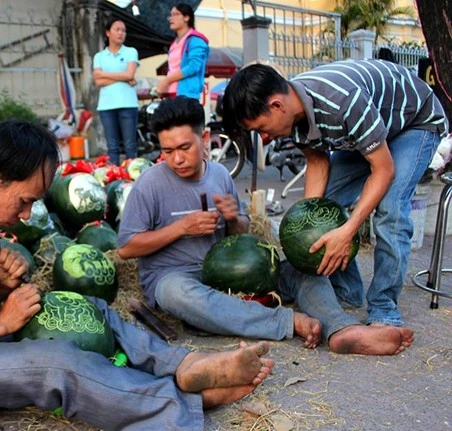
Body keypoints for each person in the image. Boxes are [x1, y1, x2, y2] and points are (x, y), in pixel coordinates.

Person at [0, 119, 275, 429]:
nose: (25, 216)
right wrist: (2, 323)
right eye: (23, 201)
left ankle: (183, 365)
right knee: (53, 363)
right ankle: (179, 404)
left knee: (85, 307)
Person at [117, 96, 414, 355]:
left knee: (303, 268)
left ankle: (341, 330)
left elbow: (240, 233)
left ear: (205, 138)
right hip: (177, 278)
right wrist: (181, 228)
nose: (177, 159)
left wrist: (234, 218)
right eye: (167, 151)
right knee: (175, 294)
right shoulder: (149, 184)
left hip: (231, 277)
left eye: (184, 147)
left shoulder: (219, 174)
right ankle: (286, 322)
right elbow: (128, 247)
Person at [222, 61, 449, 328]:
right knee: (323, 212)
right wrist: (305, 227)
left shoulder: (341, 101)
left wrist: (349, 229)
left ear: (276, 105)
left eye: (261, 128)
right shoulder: (294, 115)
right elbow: (318, 163)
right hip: (370, 132)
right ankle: (347, 291)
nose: (263, 137)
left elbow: (383, 169)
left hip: (414, 123)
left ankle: (384, 308)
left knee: (391, 210)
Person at [92, 18, 139, 166]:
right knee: (112, 147)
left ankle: (132, 177)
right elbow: (97, 81)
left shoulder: (131, 52)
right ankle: (114, 177)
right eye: (117, 29)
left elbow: (130, 75)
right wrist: (123, 77)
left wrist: (105, 74)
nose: (121, 33)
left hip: (128, 104)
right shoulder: (99, 56)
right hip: (106, 106)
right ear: (108, 33)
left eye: (123, 30)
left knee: (130, 145)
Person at [156, 3, 209, 100]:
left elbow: (193, 67)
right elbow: (172, 69)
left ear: (186, 17)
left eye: (175, 14)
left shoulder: (196, 40)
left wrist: (167, 80)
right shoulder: (174, 43)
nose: (171, 18)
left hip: (186, 94)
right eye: (170, 15)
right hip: (170, 93)